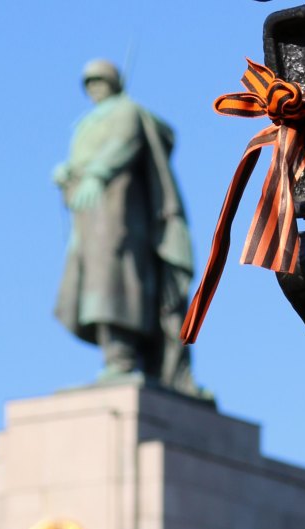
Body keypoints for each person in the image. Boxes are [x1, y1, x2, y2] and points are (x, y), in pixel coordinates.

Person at [53, 60, 208, 398]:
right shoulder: (85, 122)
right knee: (92, 282)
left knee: (116, 280)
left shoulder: (126, 111)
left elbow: (123, 144)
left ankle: (123, 357)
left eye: (99, 80)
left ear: (114, 81)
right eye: (89, 82)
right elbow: (82, 160)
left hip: (120, 213)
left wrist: (97, 174)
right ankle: (117, 358)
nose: (94, 87)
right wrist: (69, 173)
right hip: (88, 217)